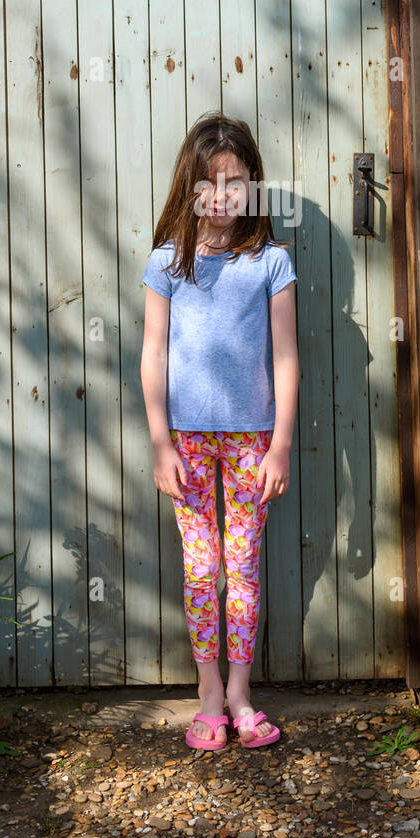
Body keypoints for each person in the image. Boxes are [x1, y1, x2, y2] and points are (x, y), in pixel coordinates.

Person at [140, 112, 299, 750]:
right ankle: (206, 694)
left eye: (236, 182)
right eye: (211, 183)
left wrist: (282, 442)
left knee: (245, 566)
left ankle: (240, 694)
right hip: (187, 442)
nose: (223, 196)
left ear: (253, 188)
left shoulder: (271, 262)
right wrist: (158, 441)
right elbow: (152, 355)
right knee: (203, 568)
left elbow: (287, 356)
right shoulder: (166, 265)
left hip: (251, 442)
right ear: (190, 187)